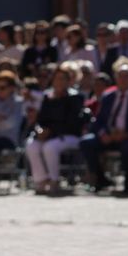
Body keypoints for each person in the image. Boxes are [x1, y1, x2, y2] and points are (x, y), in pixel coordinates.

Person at [82, 62, 128, 196]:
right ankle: (101, 178)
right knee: (86, 142)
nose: (123, 79)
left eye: (126, 76)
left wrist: (127, 134)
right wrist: (104, 134)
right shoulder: (108, 96)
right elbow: (100, 121)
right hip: (110, 135)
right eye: (120, 76)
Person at [26, 62, 90, 195]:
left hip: (69, 136)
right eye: (56, 78)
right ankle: (41, 181)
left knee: (50, 146)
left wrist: (51, 132)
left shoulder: (75, 98)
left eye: (62, 79)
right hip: (49, 135)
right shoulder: (47, 97)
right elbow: (41, 120)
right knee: (32, 145)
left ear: (68, 81)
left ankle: (54, 181)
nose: (59, 82)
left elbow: (72, 122)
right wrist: (39, 131)